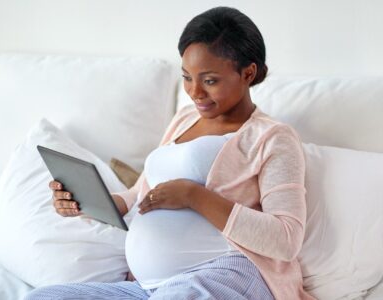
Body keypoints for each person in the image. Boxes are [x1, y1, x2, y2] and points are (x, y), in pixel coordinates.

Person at [25, 6, 315, 300]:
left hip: (229, 273)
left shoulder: (273, 137)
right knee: (40, 297)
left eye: (210, 80)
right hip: (151, 287)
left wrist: (194, 195)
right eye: (187, 77)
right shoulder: (183, 120)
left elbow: (286, 239)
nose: (195, 92)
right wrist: (87, 202)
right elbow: (140, 195)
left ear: (248, 73)